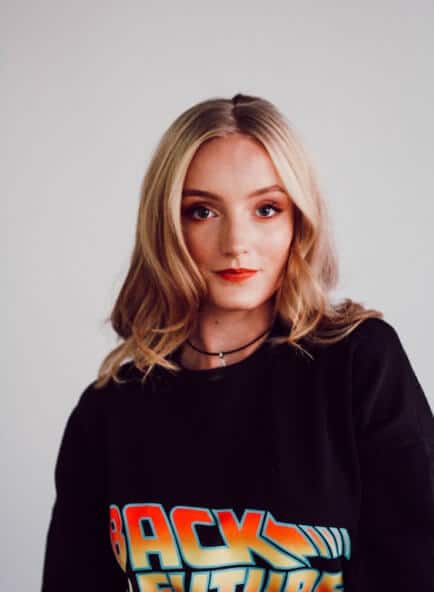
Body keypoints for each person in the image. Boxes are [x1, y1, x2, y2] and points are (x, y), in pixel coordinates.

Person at [41, 94, 434, 591]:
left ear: (298, 221)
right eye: (203, 211)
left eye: (266, 209)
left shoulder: (358, 365)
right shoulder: (108, 413)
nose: (236, 243)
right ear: (167, 225)